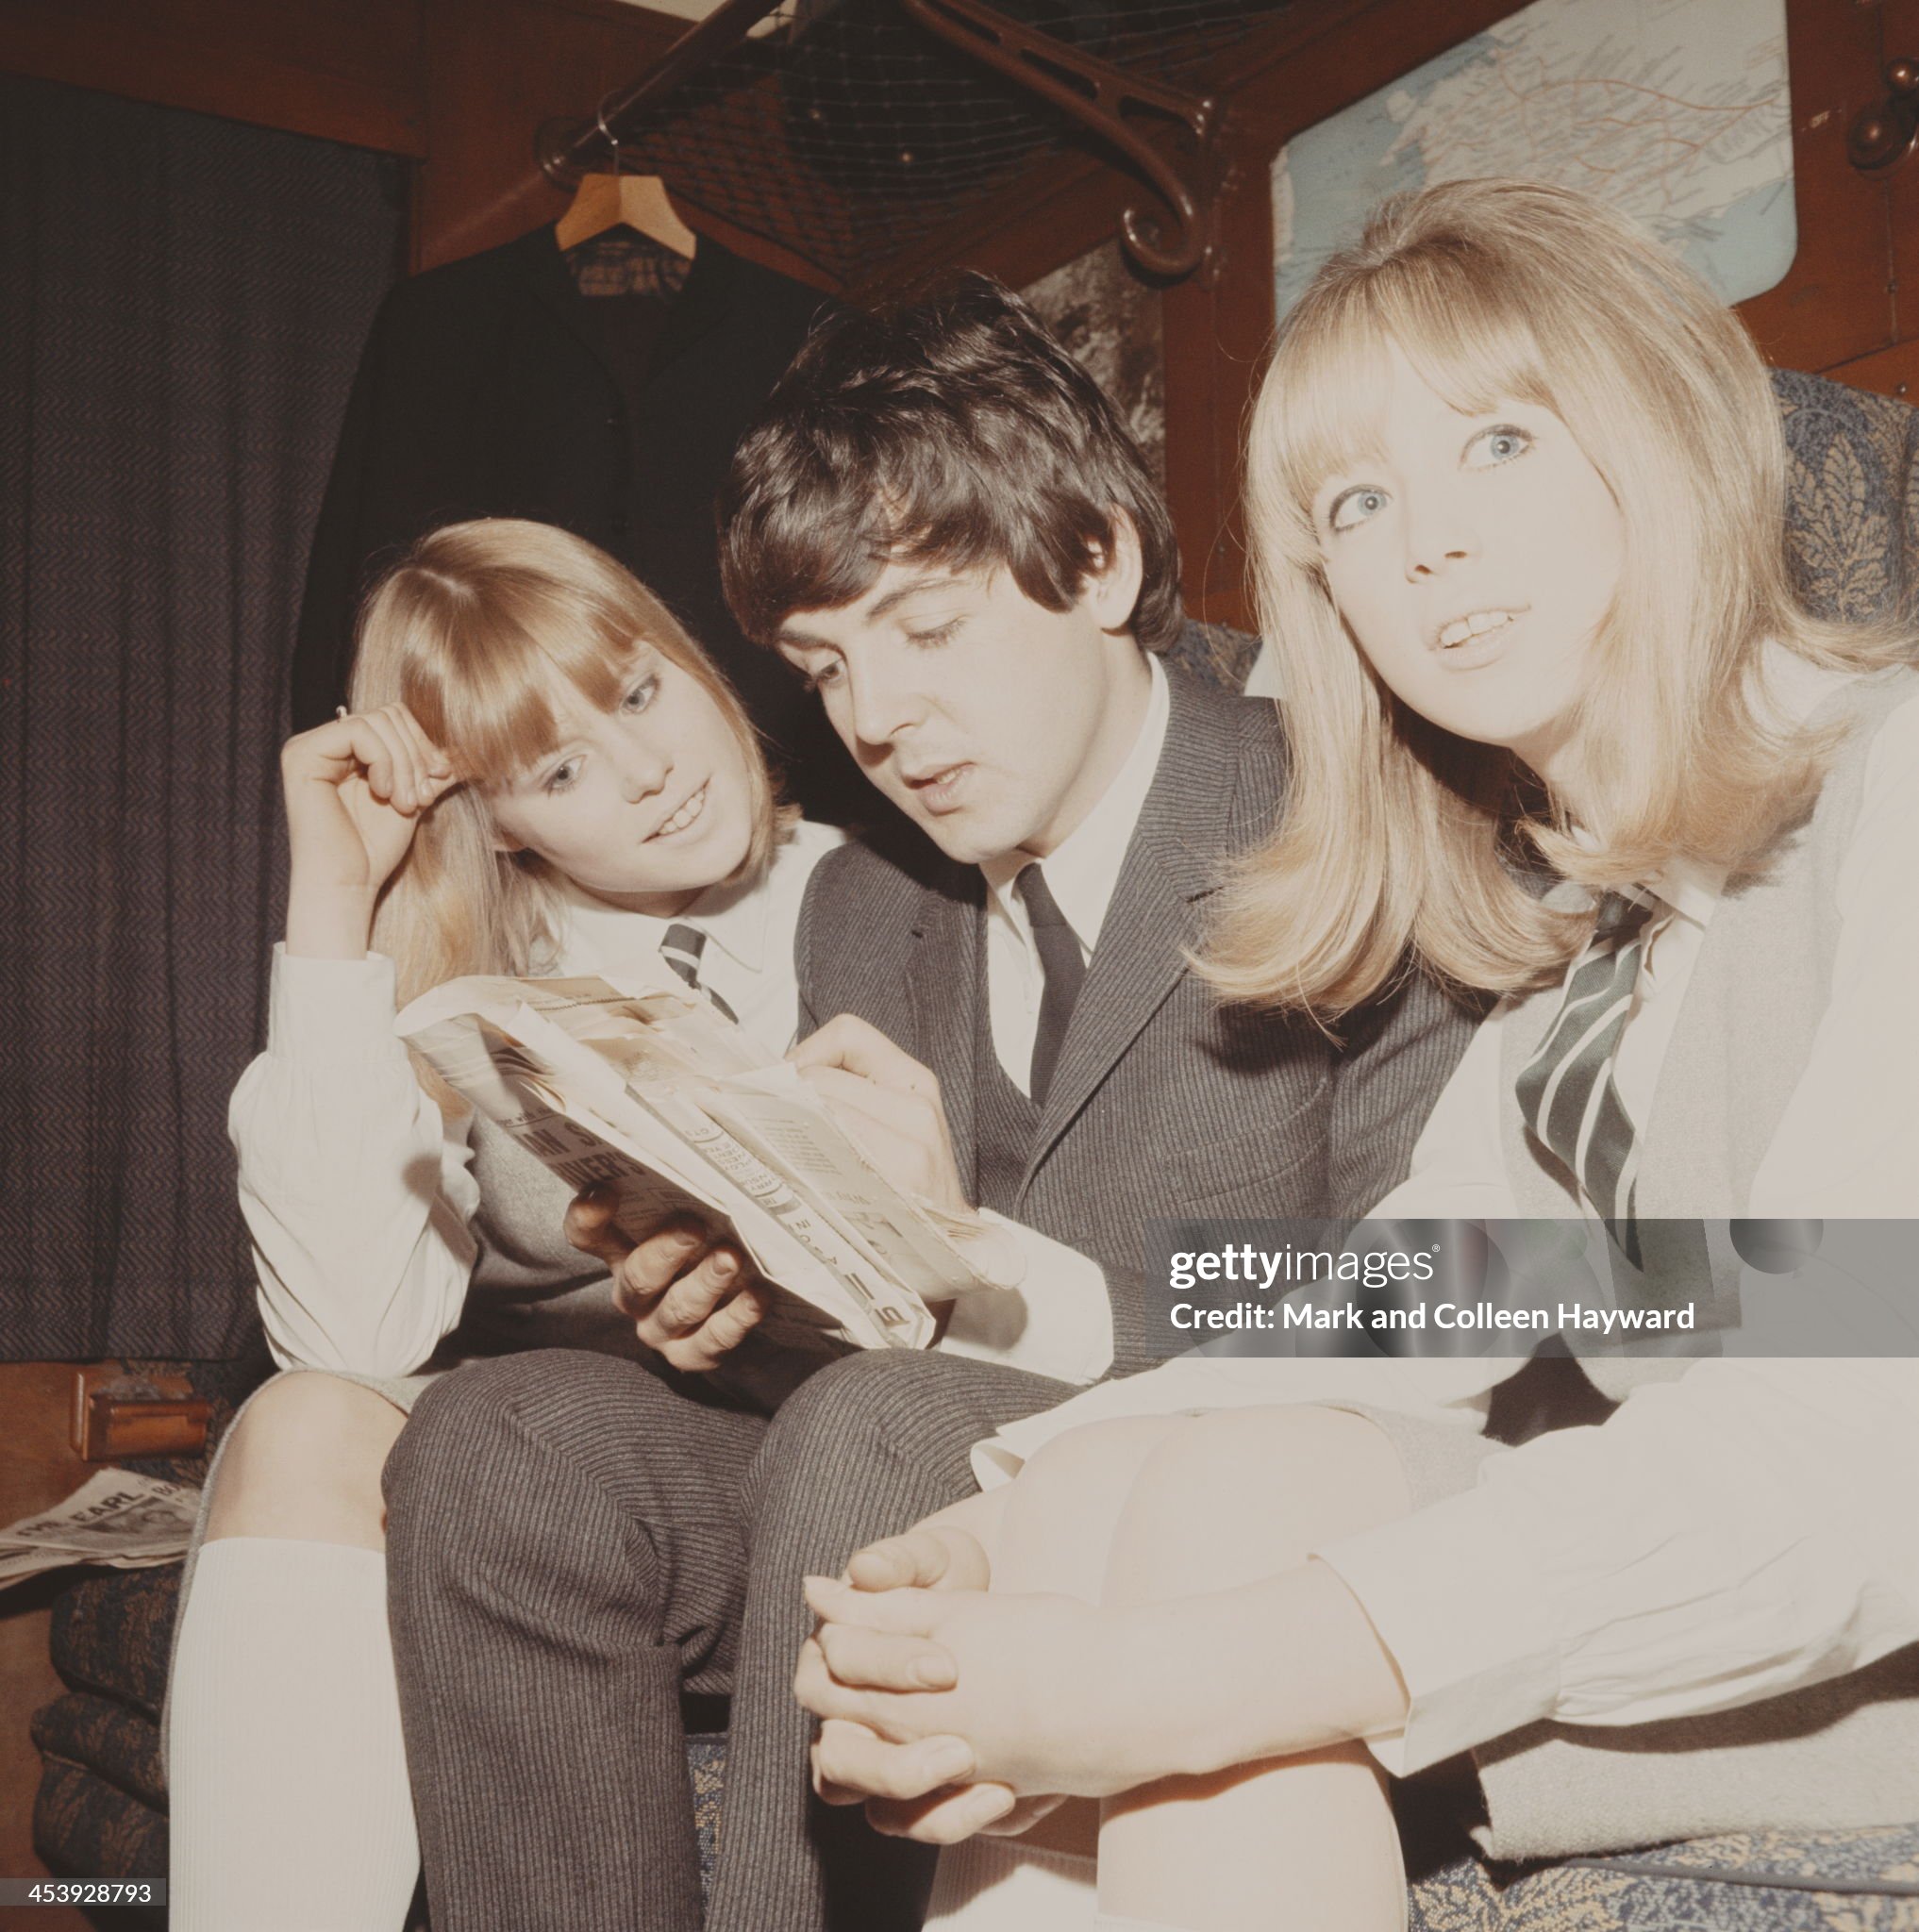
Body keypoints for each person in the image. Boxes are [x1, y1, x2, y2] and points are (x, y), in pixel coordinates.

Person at [794, 179, 1919, 1932]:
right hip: (1753, 1584)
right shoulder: (1577, 951)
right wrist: (1000, 1533)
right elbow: (1393, 1307)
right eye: (1358, 503)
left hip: (1859, 1597)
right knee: (1151, 1478)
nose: (1424, 546)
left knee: (1227, 1660)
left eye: (1498, 446)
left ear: (1667, 431)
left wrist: (1172, 1680)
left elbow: (1861, 1439)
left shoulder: (1897, 785)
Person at [377, 275, 1477, 1932]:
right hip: (895, 1455)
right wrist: (735, 1296)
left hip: (1223, 1465)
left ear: (1097, 561)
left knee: (877, 1425)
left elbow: (1442, 1294)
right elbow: (862, 1338)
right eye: (825, 667)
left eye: (929, 629)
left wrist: (983, 1272)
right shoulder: (860, 907)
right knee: (494, 1439)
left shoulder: (1352, 801)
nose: (878, 722)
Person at [164, 517, 846, 1931]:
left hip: (842, 1456)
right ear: (497, 817)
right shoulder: (483, 977)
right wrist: (341, 906)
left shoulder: (898, 886)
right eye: (557, 768)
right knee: (308, 1424)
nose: (653, 774)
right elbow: (346, 1336)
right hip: (575, 1488)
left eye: (641, 692)